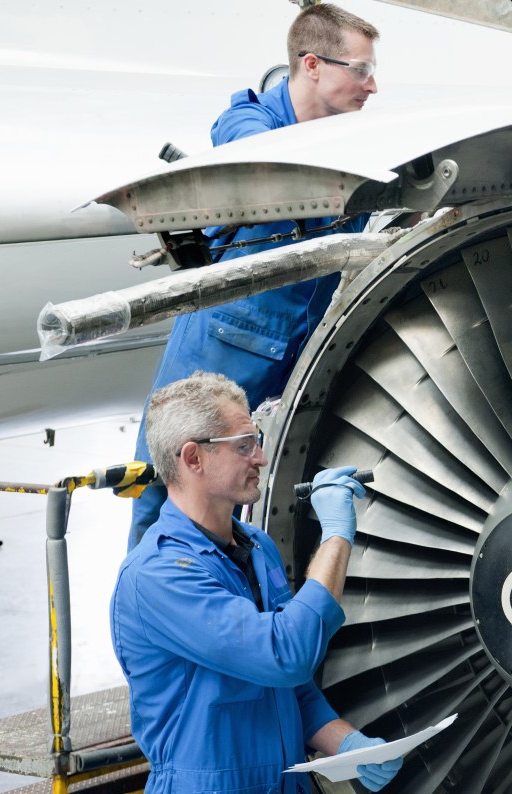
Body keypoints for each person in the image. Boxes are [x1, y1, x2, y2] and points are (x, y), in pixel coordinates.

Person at [112, 372, 401, 794]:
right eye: (244, 445)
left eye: (258, 441)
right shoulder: (160, 577)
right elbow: (283, 652)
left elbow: (289, 687)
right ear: (193, 457)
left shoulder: (256, 550)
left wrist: (347, 744)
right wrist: (336, 538)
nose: (262, 458)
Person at [127, 3, 380, 547]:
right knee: (166, 491)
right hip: (223, 350)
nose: (372, 86)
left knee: (242, 504)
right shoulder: (251, 123)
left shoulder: (350, 140)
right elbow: (256, 152)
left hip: (295, 355)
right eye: (360, 70)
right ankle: (150, 598)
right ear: (312, 65)